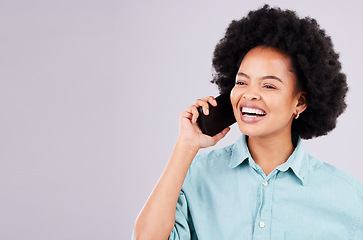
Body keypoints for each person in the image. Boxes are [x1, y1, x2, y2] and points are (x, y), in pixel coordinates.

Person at [132, 5, 363, 240]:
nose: (249, 94)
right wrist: (186, 145)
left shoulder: (347, 195)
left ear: (300, 102)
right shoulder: (196, 175)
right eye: (242, 82)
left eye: (269, 85)